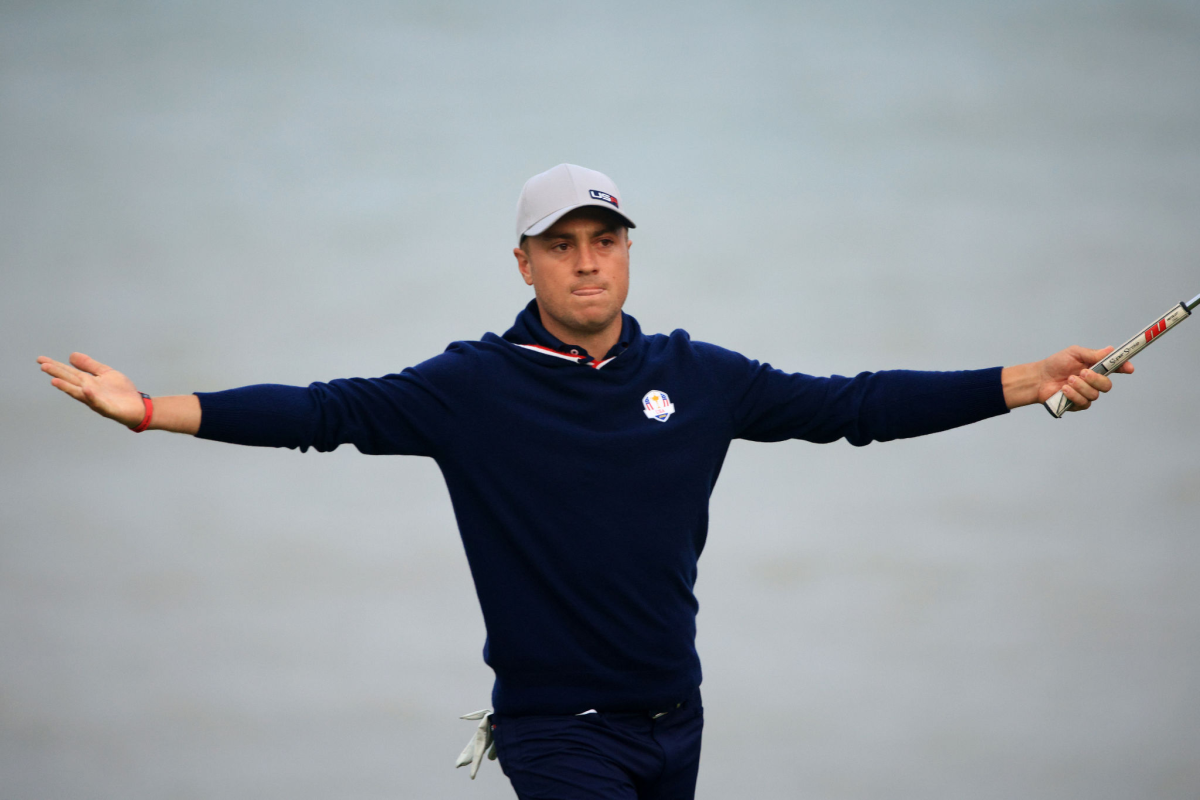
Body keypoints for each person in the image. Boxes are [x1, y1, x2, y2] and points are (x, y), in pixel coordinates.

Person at [36, 163, 1132, 800]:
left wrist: (1020, 378)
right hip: (560, 728)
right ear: (523, 262)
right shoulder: (471, 386)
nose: (586, 259)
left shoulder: (698, 376)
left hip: (678, 717)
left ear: (628, 250)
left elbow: (856, 407)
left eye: (603, 237)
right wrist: (150, 408)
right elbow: (321, 411)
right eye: (559, 243)